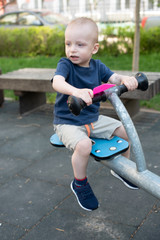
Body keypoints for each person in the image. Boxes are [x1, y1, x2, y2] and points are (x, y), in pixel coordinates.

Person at [52, 17, 138, 211]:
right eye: (68, 44)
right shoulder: (65, 65)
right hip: (68, 122)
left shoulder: (98, 66)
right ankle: (80, 183)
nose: (72, 49)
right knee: (82, 146)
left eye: (80, 45)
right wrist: (75, 91)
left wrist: (125, 79)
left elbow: (114, 78)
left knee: (127, 130)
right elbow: (57, 82)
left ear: (94, 48)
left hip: (93, 120)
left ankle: (122, 168)